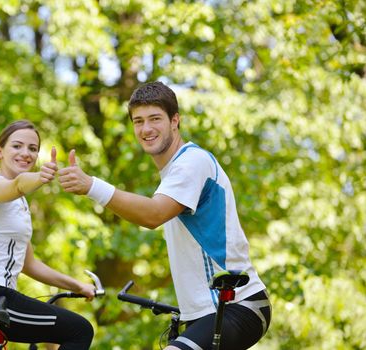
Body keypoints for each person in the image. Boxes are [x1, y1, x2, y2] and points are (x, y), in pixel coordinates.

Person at [58, 82, 271, 350]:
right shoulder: (172, 173)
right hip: (203, 313)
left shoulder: (191, 162)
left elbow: (153, 215)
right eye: (138, 121)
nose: (146, 129)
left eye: (155, 119)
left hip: (237, 304)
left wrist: (92, 186)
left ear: (175, 121)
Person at [0, 120, 95, 350]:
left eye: (33, 149)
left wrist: (77, 285)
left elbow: (30, 264)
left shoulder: (19, 205)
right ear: (0, 151)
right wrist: (40, 177)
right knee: (80, 330)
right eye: (17, 146)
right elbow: (17, 185)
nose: (25, 153)